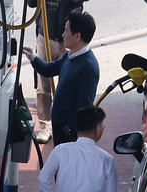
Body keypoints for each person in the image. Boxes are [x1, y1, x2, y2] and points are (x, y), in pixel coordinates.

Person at [23, 10, 98, 145]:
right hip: (59, 123)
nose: (62, 35)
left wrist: (68, 129)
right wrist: (33, 57)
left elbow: (85, 104)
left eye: (66, 30)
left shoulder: (88, 66)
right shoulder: (70, 56)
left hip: (68, 130)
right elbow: (49, 69)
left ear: (77, 36)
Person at [32, 0, 84, 143]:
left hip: (70, 35)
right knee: (43, 84)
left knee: (69, 84)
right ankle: (45, 125)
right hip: (46, 34)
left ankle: (71, 125)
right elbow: (31, 4)